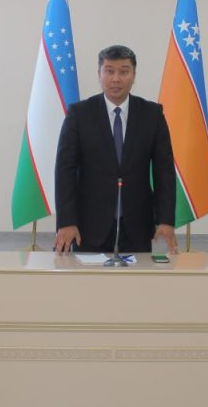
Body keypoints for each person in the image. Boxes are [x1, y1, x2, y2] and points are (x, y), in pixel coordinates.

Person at [54, 44, 178, 255]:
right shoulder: (79, 114)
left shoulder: (152, 115)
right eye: (109, 71)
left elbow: (164, 171)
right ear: (99, 74)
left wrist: (165, 220)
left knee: (137, 276)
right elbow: (64, 170)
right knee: (87, 276)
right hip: (89, 224)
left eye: (124, 71)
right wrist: (66, 221)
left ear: (134, 75)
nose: (116, 79)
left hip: (137, 224)